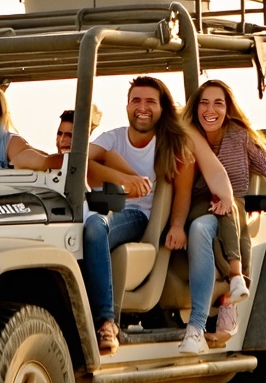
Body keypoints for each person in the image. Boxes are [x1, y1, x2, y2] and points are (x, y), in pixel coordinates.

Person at [79, 77, 233, 355]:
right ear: (127, 106)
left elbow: (183, 192)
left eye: (151, 101)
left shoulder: (172, 144)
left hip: (138, 215)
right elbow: (79, 163)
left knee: (94, 227)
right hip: (101, 205)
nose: (143, 107)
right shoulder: (113, 137)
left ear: (162, 108)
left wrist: (177, 225)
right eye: (136, 100)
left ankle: (106, 321)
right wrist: (124, 178)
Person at [174, 79, 266, 352]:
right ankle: (235, 280)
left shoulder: (240, 136)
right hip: (200, 203)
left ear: (227, 108)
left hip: (233, 205)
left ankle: (218, 305)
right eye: (204, 103)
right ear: (196, 108)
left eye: (218, 103)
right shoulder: (189, 135)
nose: (211, 109)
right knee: (213, 218)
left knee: (222, 216)